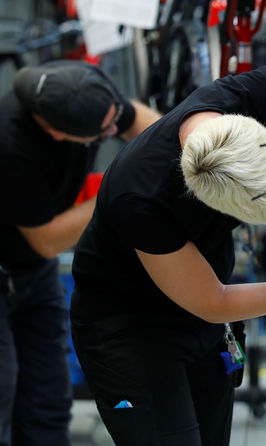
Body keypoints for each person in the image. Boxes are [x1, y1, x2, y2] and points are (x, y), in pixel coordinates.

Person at [68, 46, 266, 446]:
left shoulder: (238, 101)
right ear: (211, 203)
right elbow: (212, 300)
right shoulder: (141, 201)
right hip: (130, 329)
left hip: (203, 324)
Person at [0, 60, 161, 446]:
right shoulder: (9, 145)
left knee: (48, 397)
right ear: (56, 131)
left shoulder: (83, 91)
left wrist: (176, 153)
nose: (114, 131)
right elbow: (48, 240)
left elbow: (138, 119)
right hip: (16, 254)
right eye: (104, 133)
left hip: (32, 272)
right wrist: (119, 189)